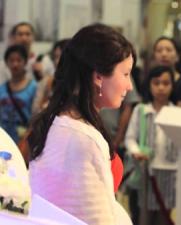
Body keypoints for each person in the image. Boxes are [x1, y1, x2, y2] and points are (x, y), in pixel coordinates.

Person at [27, 24, 134, 225]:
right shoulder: (83, 137)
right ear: (98, 76)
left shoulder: (55, 123)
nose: (129, 85)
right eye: (126, 74)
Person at [124, 65, 178, 225]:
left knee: (165, 216)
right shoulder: (141, 110)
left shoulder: (177, 113)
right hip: (145, 171)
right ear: (149, 85)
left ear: (172, 86)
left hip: (170, 173)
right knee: (144, 217)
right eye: (156, 83)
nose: (161, 87)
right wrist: (135, 152)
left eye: (166, 83)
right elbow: (130, 138)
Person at [0, 45, 37, 143]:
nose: (15, 64)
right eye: (11, 60)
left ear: (25, 62)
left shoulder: (34, 87)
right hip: (4, 139)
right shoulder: (2, 88)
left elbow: (36, 115)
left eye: (18, 60)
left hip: (24, 140)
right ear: (6, 63)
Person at [32, 39, 70, 115]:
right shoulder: (47, 81)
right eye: (55, 57)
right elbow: (35, 110)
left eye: (61, 57)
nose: (57, 61)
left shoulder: (80, 84)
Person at [152, 37, 181, 107]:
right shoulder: (149, 79)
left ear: (177, 56)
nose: (164, 54)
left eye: (169, 50)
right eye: (159, 50)